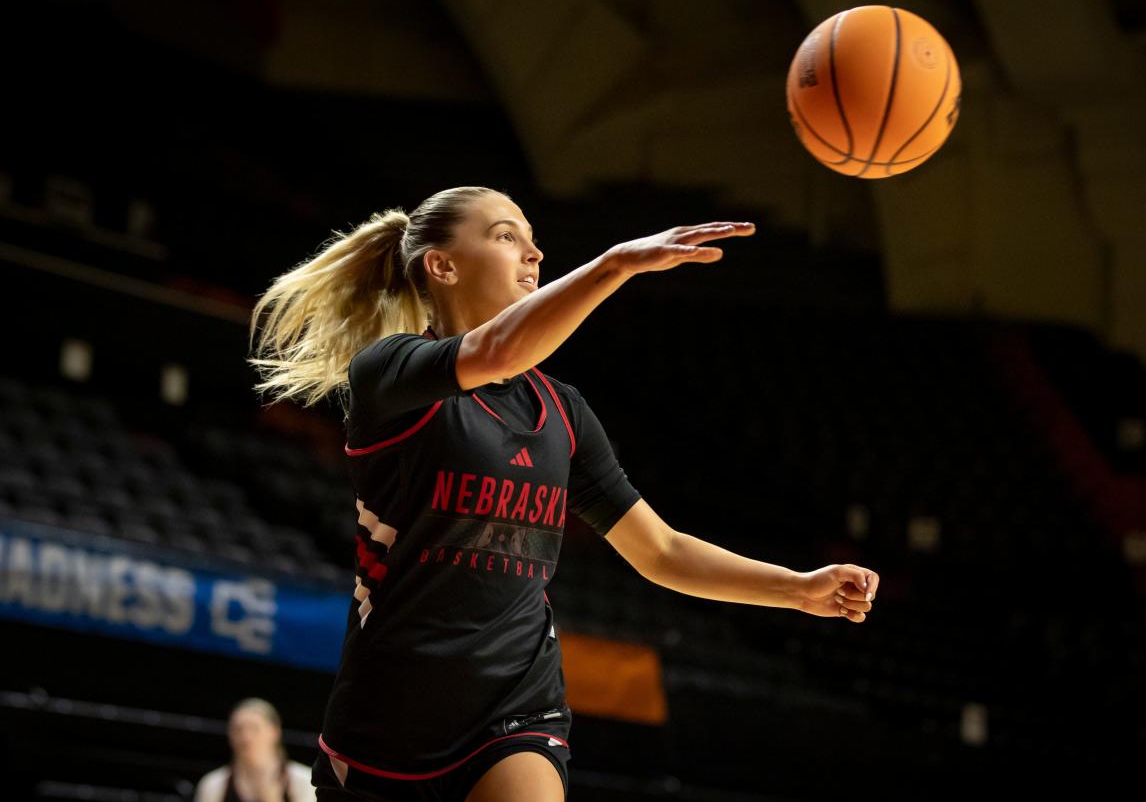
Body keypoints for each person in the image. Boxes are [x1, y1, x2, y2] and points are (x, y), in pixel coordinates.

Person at [247, 186, 880, 802]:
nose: (534, 255)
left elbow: (659, 551)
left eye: (533, 241)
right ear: (441, 265)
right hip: (386, 716)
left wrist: (798, 588)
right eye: (506, 237)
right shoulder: (389, 373)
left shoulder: (561, 412)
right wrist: (617, 263)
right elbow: (496, 349)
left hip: (514, 708)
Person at [194, 698, 314, 802]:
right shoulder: (213, 784)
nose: (246, 737)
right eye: (238, 729)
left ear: (275, 731)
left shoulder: (304, 780)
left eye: (254, 728)